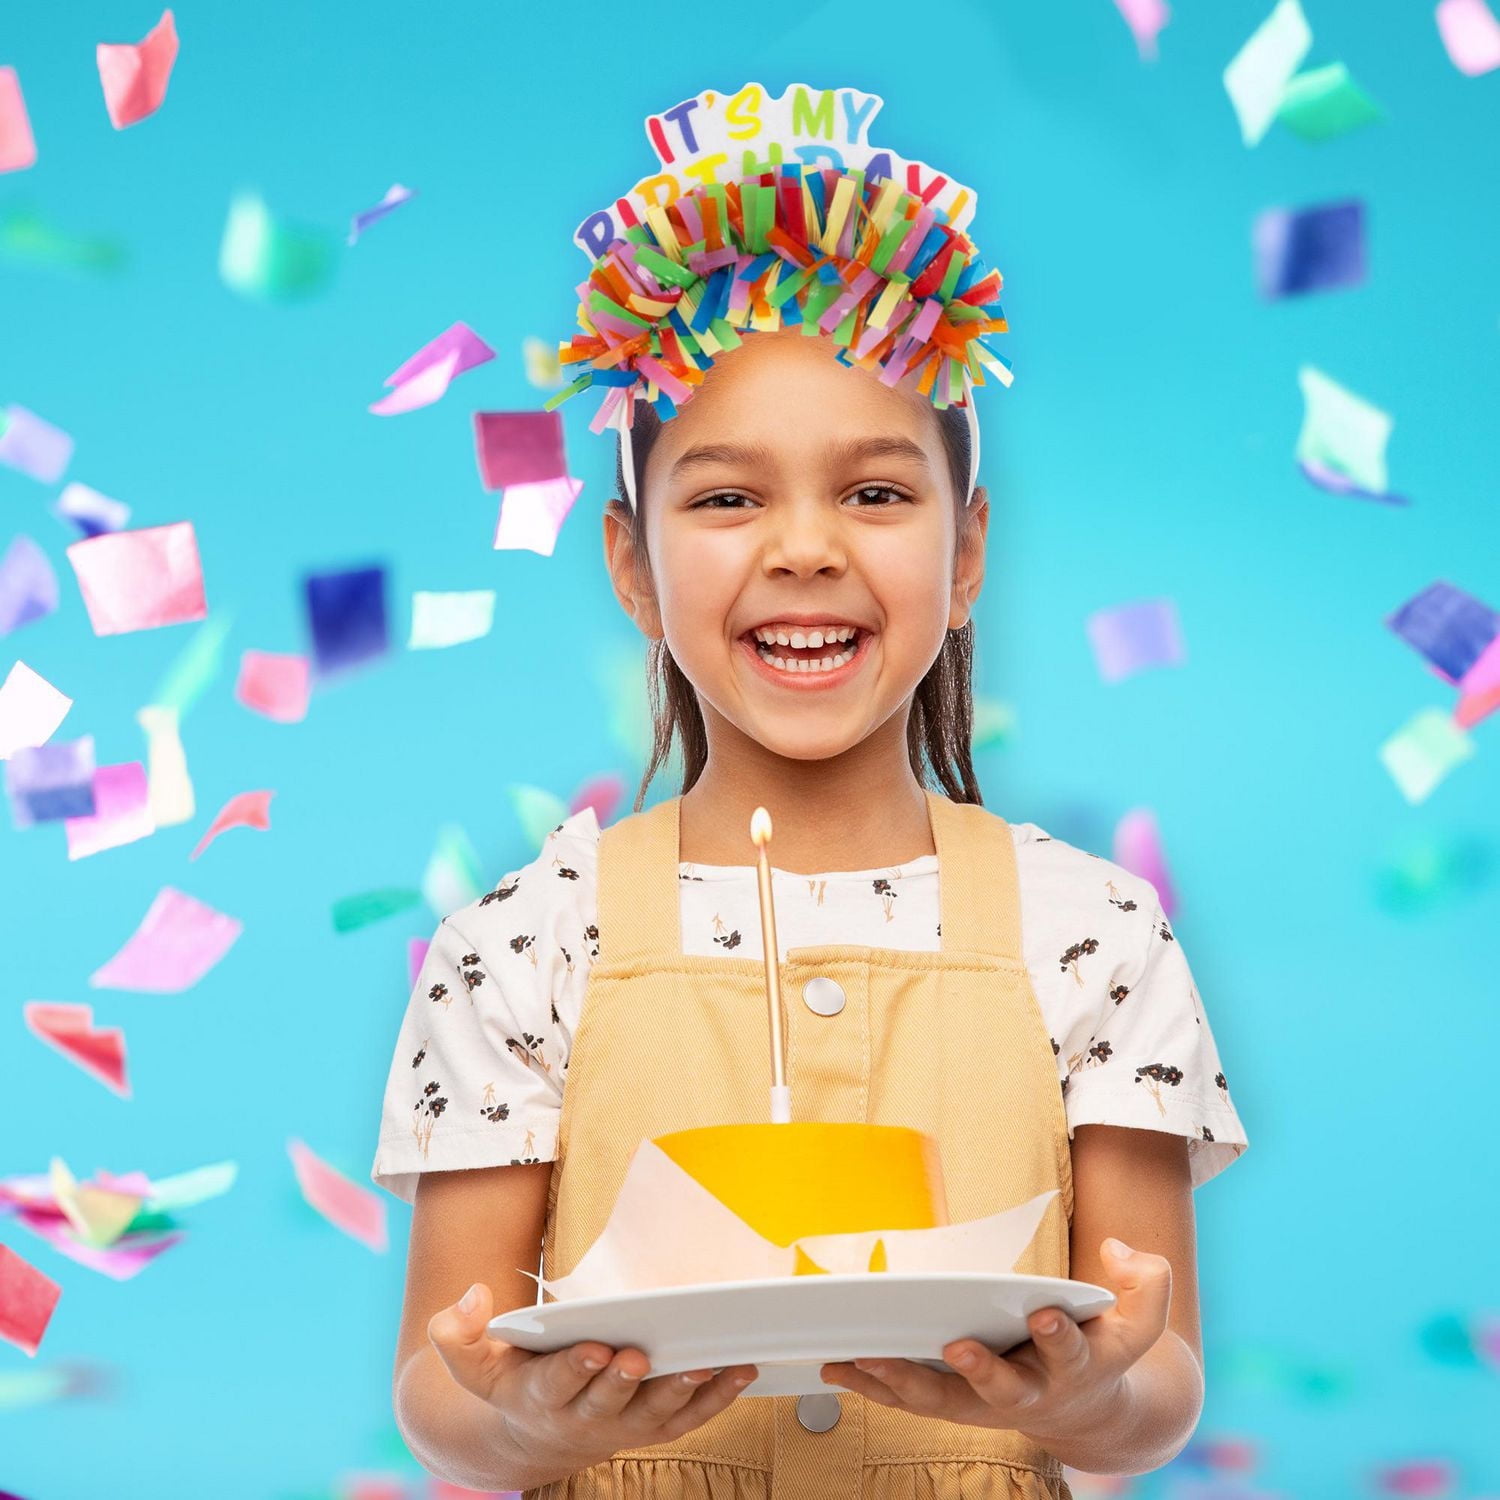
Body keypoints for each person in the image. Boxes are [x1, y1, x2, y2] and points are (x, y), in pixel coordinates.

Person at [370, 81, 1249, 1498]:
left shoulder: (1094, 930)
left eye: (876, 495)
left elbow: (1159, 1381)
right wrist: (527, 1425)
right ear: (631, 565)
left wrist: (1095, 1394)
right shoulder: (522, 946)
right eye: (725, 499)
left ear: (966, 556)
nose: (803, 550)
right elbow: (439, 1377)